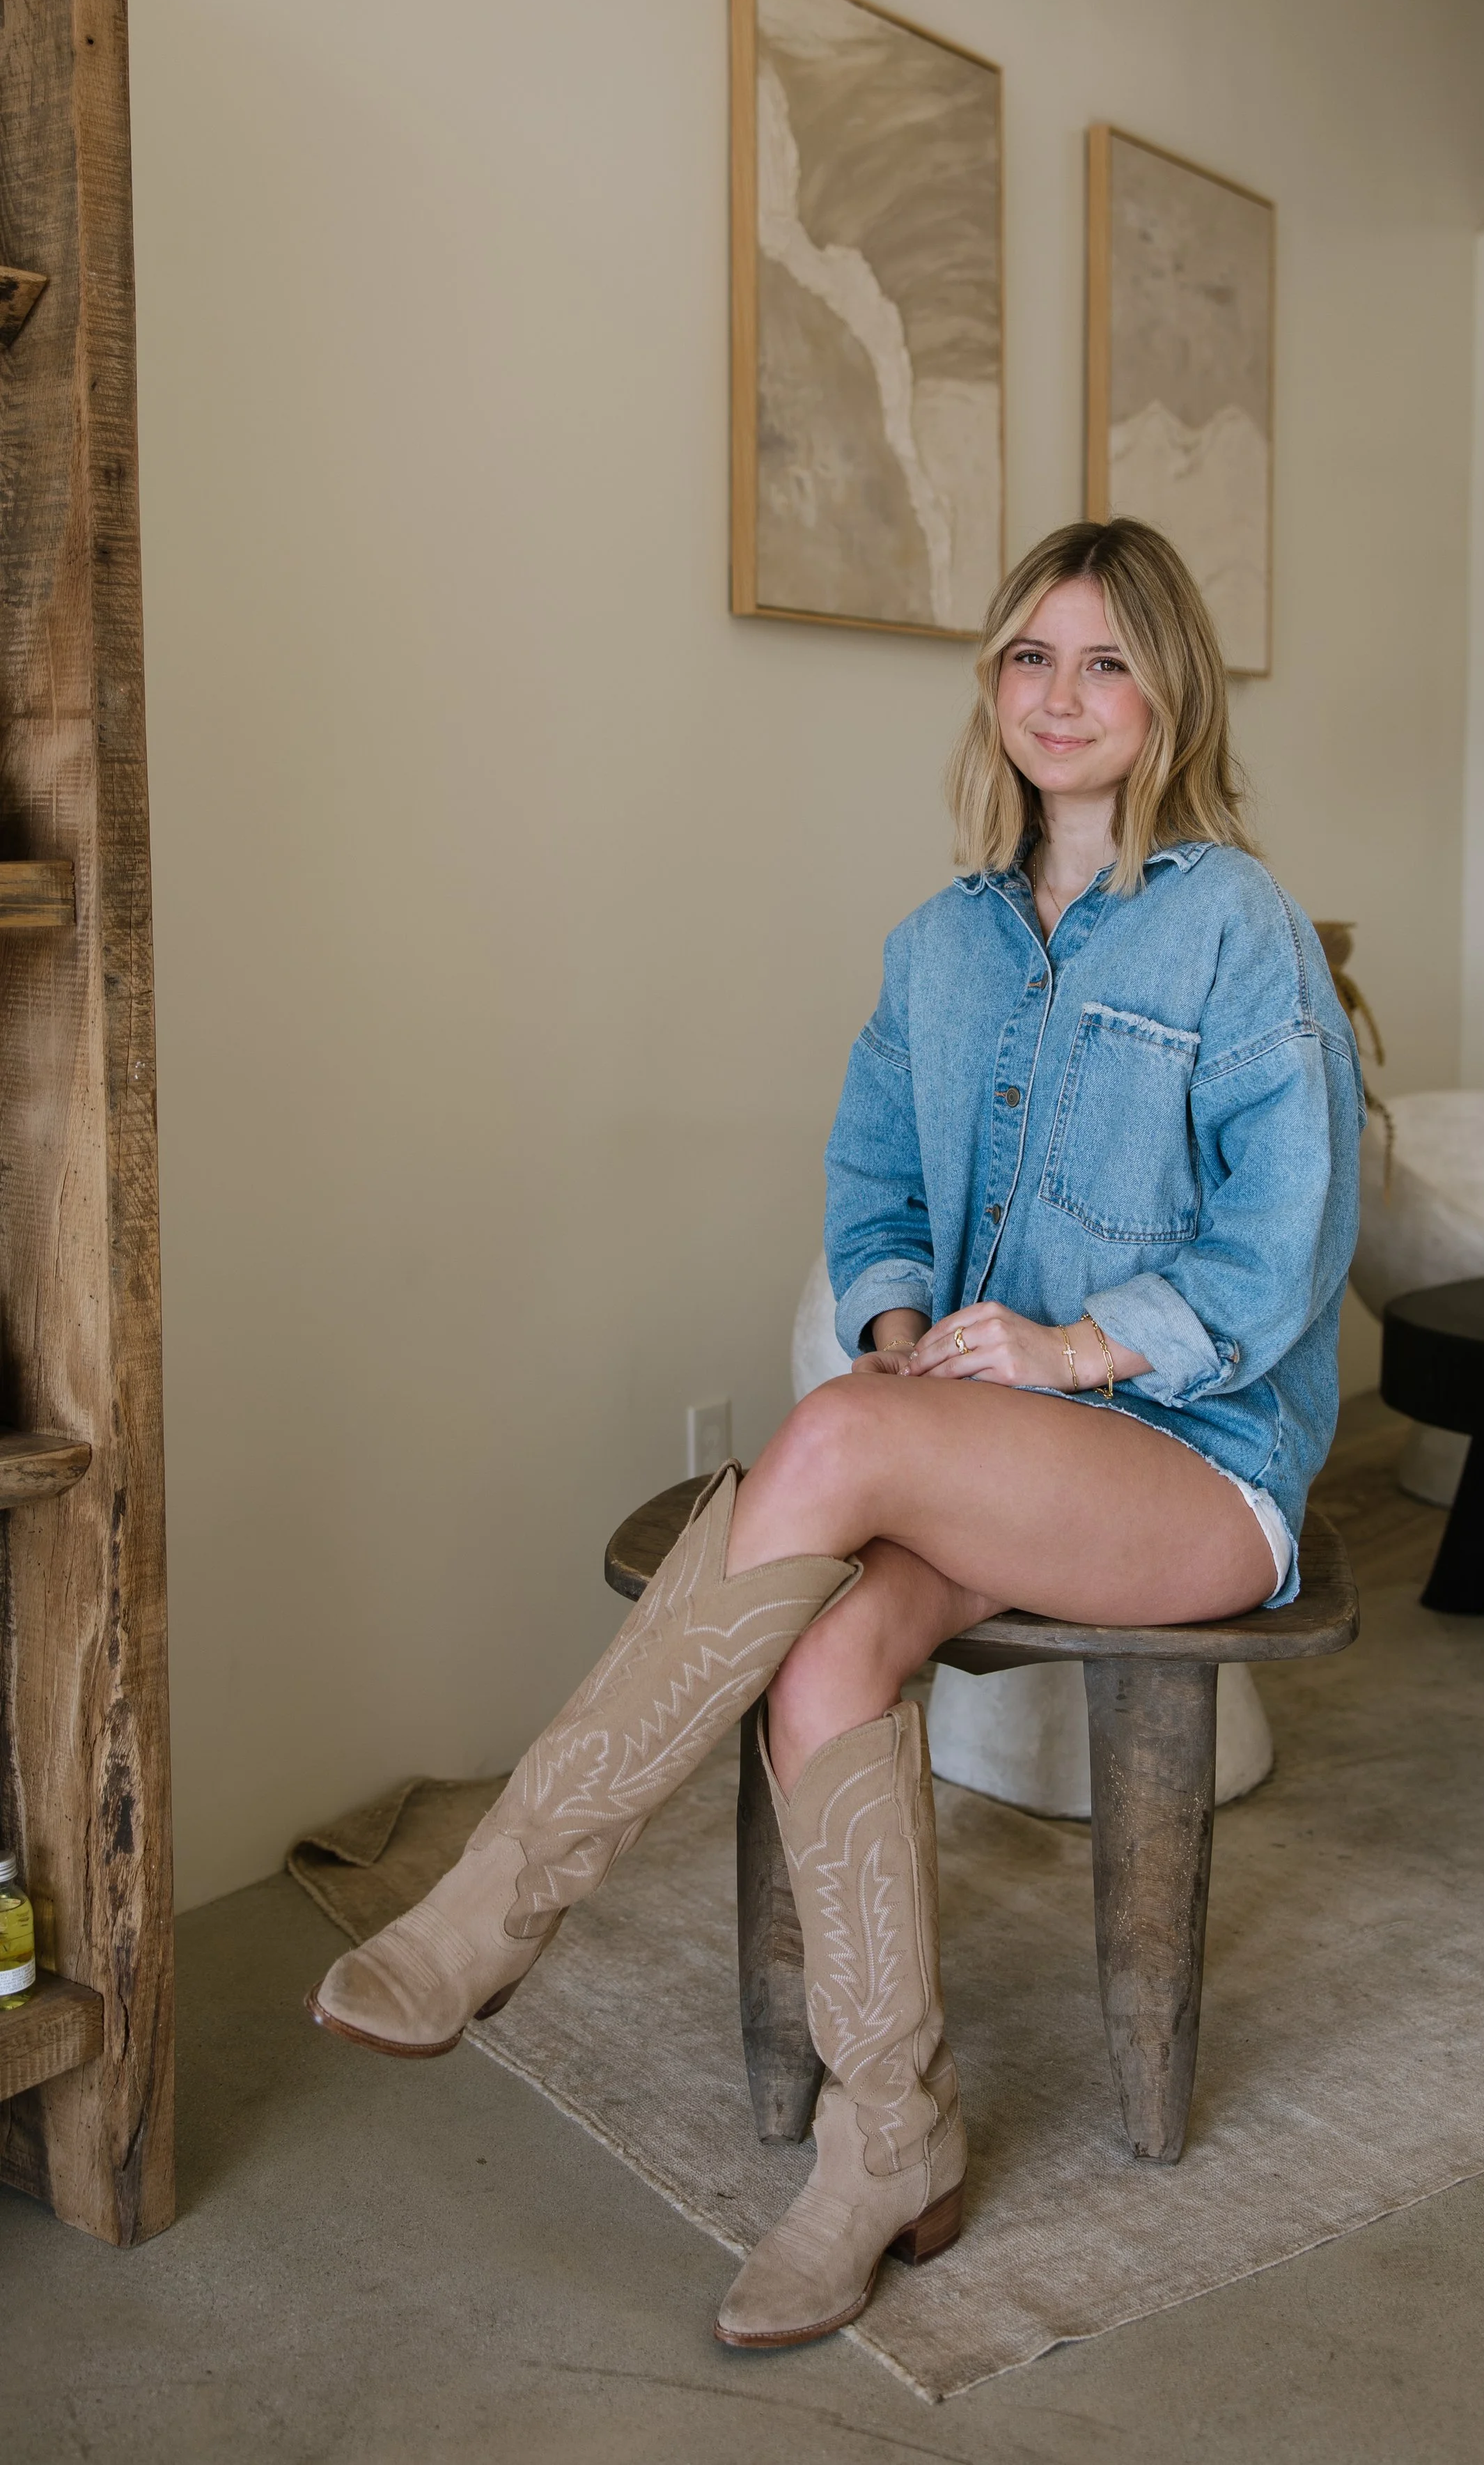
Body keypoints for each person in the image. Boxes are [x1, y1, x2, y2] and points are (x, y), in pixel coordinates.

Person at [306, 517, 1362, 2352]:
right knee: (828, 1654)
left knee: (836, 1440)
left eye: (1106, 660)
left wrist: (1069, 1347)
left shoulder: (1236, 928)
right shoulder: (937, 948)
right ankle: (889, 2140)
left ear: (1171, 691)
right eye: (1030, 655)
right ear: (992, 684)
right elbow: (876, 1190)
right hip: (979, 1443)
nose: (1061, 695)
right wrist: (895, 1330)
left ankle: (499, 1896)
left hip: (1196, 1463)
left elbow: (1288, 1246)